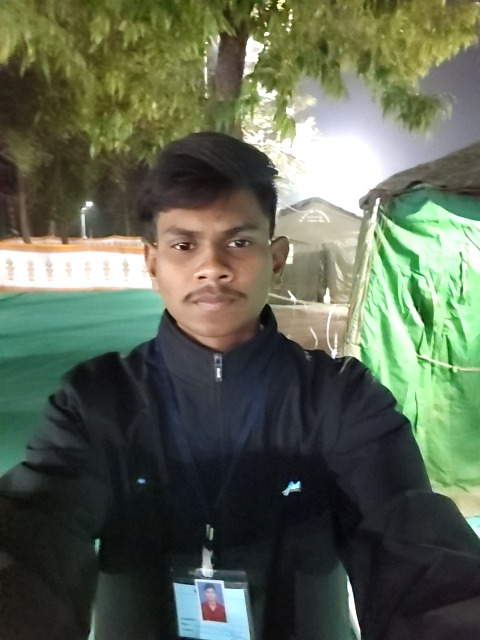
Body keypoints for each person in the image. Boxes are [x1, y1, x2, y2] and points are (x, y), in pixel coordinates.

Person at [1, 132, 480, 640]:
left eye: (238, 242)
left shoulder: (342, 400)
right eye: (184, 245)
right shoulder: (97, 402)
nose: (212, 266)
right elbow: (33, 531)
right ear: (153, 263)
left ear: (276, 258)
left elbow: (411, 538)